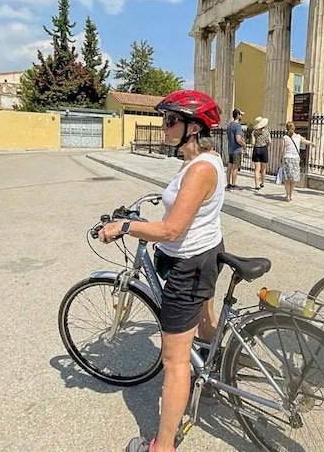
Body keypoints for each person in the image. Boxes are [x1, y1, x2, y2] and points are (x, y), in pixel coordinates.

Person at [98, 90, 225, 452]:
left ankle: (163, 445)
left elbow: (171, 230)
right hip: (204, 253)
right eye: (164, 119)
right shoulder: (203, 159)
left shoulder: (199, 169)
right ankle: (217, 374)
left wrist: (125, 227)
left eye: (171, 120)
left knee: (175, 361)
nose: (164, 126)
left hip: (189, 265)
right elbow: (192, 209)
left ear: (193, 126)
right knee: (204, 325)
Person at [279, 121, 315, 202]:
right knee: (293, 178)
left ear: (286, 128)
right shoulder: (298, 137)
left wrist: (280, 159)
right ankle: (291, 195)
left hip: (287, 158)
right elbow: (306, 141)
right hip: (295, 159)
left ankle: (287, 195)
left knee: (287, 179)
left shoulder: (284, 138)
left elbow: (282, 150)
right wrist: (312, 143)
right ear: (294, 128)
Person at [225, 108, 245, 190]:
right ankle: (233, 184)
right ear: (237, 115)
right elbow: (238, 139)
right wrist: (243, 144)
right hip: (236, 149)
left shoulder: (229, 125)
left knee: (229, 167)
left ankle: (228, 183)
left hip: (230, 148)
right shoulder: (237, 126)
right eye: (241, 114)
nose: (242, 116)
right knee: (235, 167)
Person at [250, 115, 270, 191]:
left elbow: (253, 143)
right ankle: (262, 183)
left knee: (257, 169)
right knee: (263, 168)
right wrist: (266, 145)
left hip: (257, 149)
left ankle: (256, 184)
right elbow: (269, 142)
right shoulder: (266, 131)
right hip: (264, 149)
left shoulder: (254, 132)